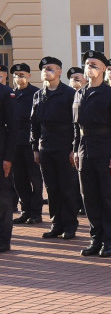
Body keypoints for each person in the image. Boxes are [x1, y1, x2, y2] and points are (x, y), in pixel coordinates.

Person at [73, 51, 111, 257]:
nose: (89, 67)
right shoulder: (79, 93)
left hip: (104, 148)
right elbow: (76, 126)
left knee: (107, 197)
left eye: (93, 64)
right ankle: (96, 239)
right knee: (89, 197)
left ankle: (109, 241)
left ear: (103, 68)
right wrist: (75, 149)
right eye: (86, 64)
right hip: (85, 148)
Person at [31, 57, 79, 239]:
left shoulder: (69, 94)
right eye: (43, 68)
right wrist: (35, 147)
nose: (46, 71)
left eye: (50, 68)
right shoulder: (38, 95)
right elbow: (34, 124)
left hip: (64, 145)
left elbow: (76, 124)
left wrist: (74, 148)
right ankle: (56, 224)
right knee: (51, 188)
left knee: (67, 187)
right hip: (45, 146)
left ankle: (69, 225)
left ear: (59, 71)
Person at [9, 63, 43, 224]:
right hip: (15, 142)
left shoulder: (36, 93)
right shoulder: (10, 94)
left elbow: (37, 120)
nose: (18, 78)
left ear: (28, 76)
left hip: (30, 142)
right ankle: (26, 210)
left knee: (35, 179)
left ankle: (36, 213)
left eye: (22, 75)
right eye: (16, 75)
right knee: (19, 179)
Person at [0, 73, 14, 253]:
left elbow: (12, 128)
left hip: (1, 154)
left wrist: (8, 157)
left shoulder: (5, 93)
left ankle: (3, 240)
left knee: (2, 200)